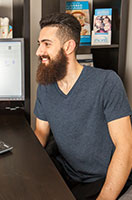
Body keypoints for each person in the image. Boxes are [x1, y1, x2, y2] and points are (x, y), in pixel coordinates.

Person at [34, 13, 132, 199]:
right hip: (68, 174)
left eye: (46, 44)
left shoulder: (107, 82)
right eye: (39, 44)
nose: (39, 51)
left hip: (103, 177)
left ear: (68, 46)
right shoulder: (45, 87)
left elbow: (125, 148)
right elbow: (40, 133)